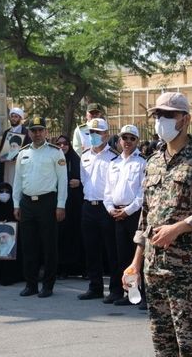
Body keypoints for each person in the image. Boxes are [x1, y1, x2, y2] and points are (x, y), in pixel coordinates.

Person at [124, 92, 192, 357]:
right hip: (154, 269)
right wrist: (136, 262)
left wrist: (178, 228)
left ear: (185, 119)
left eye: (168, 115)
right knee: (163, 345)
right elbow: (145, 217)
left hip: (189, 270)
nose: (161, 121)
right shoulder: (154, 162)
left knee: (191, 346)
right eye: (158, 115)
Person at [13, 117, 67, 298]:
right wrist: (16, 204)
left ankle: (48, 286)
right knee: (29, 246)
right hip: (27, 203)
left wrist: (61, 205)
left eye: (40, 130)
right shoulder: (23, 153)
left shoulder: (55, 152)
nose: (36, 134)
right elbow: (17, 181)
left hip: (47, 203)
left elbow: (63, 181)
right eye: (33, 130)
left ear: (45, 132)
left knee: (49, 246)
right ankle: (31, 284)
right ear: (29, 132)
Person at [77, 118, 123, 304]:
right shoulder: (85, 155)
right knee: (91, 249)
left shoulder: (114, 156)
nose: (94, 136)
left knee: (111, 250)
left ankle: (115, 289)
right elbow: (83, 181)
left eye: (98, 132)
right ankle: (94, 287)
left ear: (107, 135)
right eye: (91, 133)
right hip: (88, 205)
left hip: (107, 207)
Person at [103, 125, 147, 307]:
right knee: (121, 256)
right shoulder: (113, 163)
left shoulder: (142, 162)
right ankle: (129, 293)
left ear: (137, 141)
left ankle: (144, 295)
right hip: (116, 213)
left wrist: (127, 211)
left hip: (134, 214)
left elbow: (142, 193)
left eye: (132, 138)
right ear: (119, 140)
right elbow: (107, 191)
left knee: (139, 256)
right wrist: (110, 209)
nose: (127, 142)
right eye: (124, 138)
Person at [54, 135, 84, 279]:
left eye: (65, 144)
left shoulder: (76, 159)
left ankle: (78, 267)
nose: (62, 146)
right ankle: (62, 268)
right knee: (61, 236)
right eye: (59, 144)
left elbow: (86, 178)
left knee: (75, 235)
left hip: (74, 204)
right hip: (60, 203)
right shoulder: (54, 159)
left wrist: (79, 182)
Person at [0, 182, 23, 285]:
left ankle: (12, 276)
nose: (4, 194)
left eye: (7, 192)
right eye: (1, 191)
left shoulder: (15, 206)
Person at [0, 107, 30, 185]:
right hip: (7, 165)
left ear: (20, 118)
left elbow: (28, 149)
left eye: (16, 117)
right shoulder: (6, 132)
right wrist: (0, 156)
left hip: (19, 165)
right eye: (12, 116)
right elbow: (2, 150)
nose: (13, 119)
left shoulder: (26, 132)